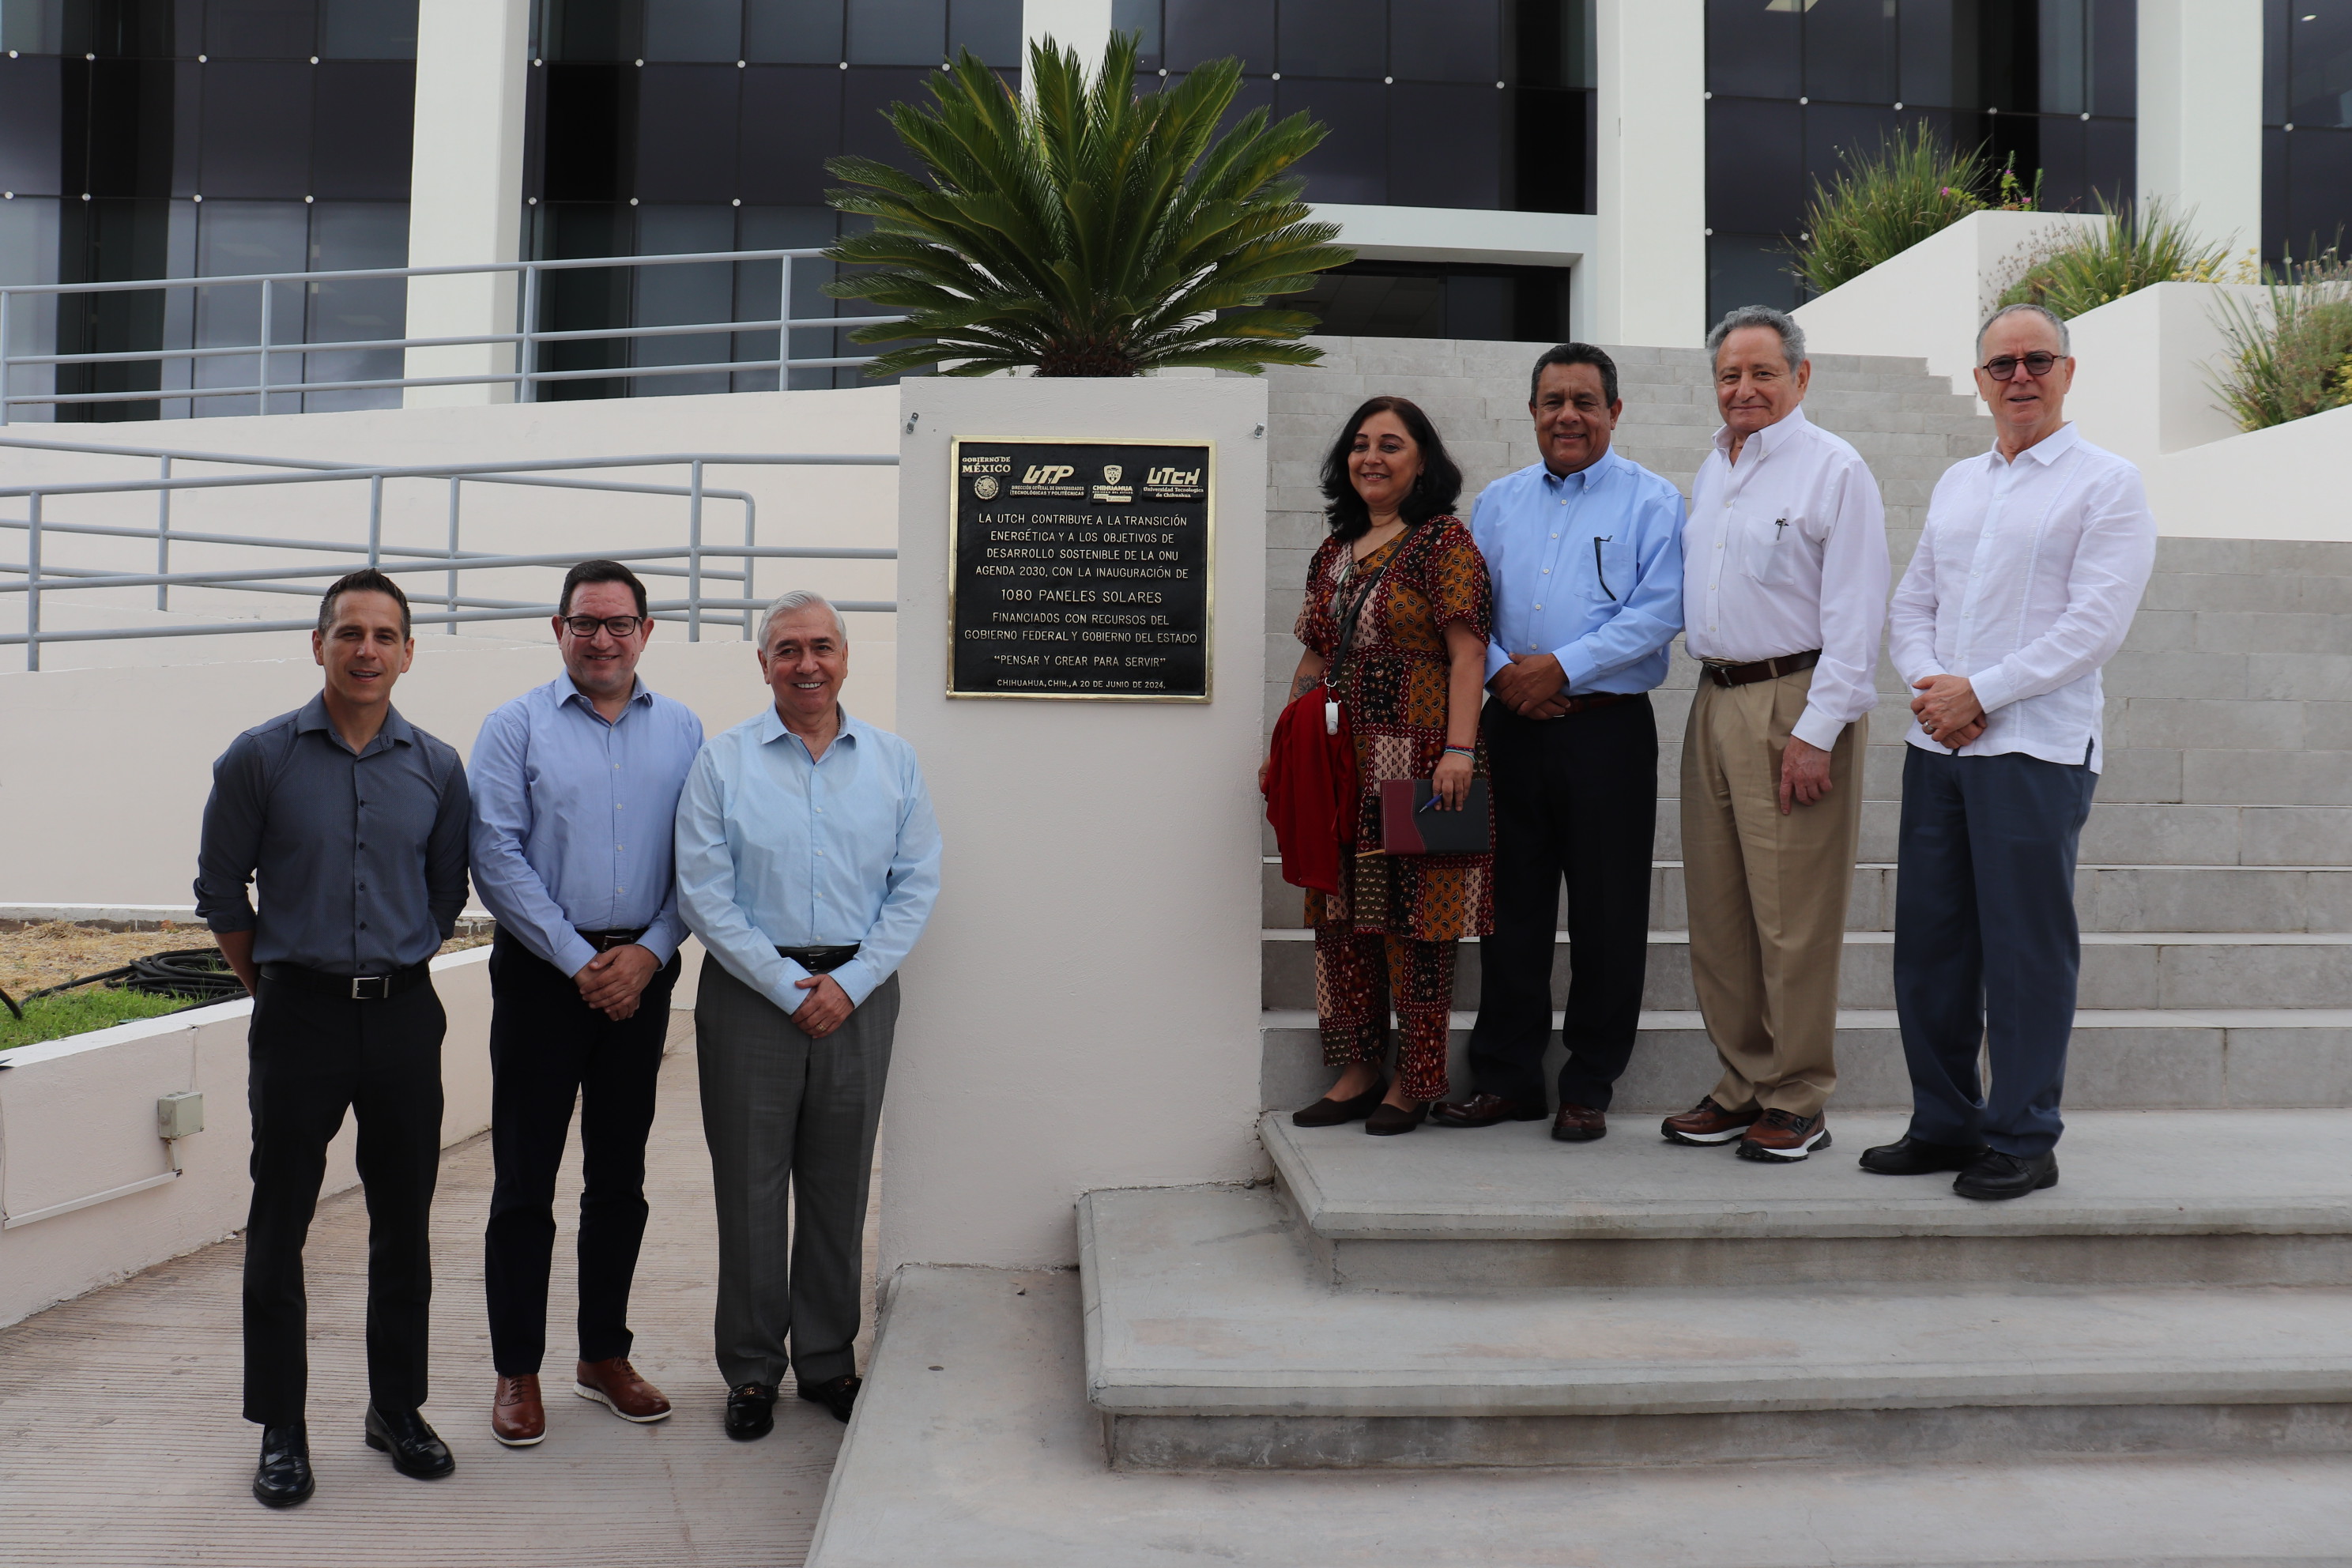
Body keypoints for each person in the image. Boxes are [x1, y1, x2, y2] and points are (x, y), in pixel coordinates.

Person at [194, 568, 471, 1508]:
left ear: (408, 652)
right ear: (319, 644)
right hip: (298, 1016)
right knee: (280, 1223)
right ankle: (281, 1423)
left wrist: (391, 962)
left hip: (402, 1016)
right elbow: (221, 892)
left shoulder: (438, 768)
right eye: (349, 632)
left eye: (385, 634)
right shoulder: (259, 758)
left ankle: (397, 1408)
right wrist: (275, 986)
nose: (366, 649)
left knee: (404, 1222)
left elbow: (445, 893)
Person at [1866, 302, 2155, 1200]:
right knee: (1930, 948)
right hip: (1939, 747)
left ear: (2068, 371)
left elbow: (2095, 626)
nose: (2019, 376)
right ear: (1980, 379)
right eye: (2002, 364)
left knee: (2026, 953)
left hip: (2036, 750)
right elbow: (1911, 603)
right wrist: (1934, 689)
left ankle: (2025, 1136)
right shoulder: (1959, 483)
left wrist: (1980, 693)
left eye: (2037, 359)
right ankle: (1945, 1122)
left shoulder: (2108, 483)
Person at [674, 590, 940, 1438]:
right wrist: (789, 984)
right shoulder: (722, 763)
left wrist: (850, 983)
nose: (807, 663)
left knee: (838, 1184)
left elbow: (915, 885)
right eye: (787, 649)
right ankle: (753, 1370)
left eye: (822, 646)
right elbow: (704, 893)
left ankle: (827, 1359)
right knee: (748, 1188)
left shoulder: (894, 762)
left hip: (859, 996)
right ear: (764, 664)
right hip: (751, 997)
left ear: (846, 657)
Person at [468, 560, 705, 1447]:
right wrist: (579, 960)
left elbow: (701, 857)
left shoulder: (684, 729)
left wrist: (649, 952)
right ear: (558, 628)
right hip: (542, 976)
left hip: (642, 975)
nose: (602, 639)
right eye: (585, 623)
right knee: (524, 1180)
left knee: (619, 1176)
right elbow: (495, 855)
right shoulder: (515, 726)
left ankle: (603, 1354)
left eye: (619, 623)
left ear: (647, 630)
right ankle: (517, 1368)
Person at [1433, 343, 1686, 1144]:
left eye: (1584, 401)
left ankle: (1589, 1081)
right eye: (1553, 401)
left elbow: (1659, 611)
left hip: (1607, 729)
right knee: (1510, 906)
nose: (1568, 415)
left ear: (1615, 410)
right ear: (1533, 411)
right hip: (1511, 724)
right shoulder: (1499, 503)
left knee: (1609, 909)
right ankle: (1507, 1077)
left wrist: (1562, 669)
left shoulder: (1653, 501)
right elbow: (1470, 610)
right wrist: (1507, 675)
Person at [1660, 307, 1890, 1163]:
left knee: (1793, 917)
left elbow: (1858, 614)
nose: (1744, 389)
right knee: (1720, 913)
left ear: (1801, 376)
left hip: (1795, 699)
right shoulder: (1712, 467)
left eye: (1762, 373)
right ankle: (1743, 1083)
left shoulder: (1835, 469)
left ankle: (1797, 1098)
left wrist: (1818, 730)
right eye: (1730, 375)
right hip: (1715, 698)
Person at [1272, 396, 1494, 1136]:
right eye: (1361, 444)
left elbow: (1468, 653)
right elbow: (1314, 656)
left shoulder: (1442, 544)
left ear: (1422, 461)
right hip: (1338, 766)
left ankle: (1416, 1080)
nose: (1372, 457)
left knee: (1418, 924)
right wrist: (1285, 748)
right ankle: (1357, 1070)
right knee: (1339, 918)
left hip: (1419, 761)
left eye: (1391, 445)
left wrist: (1459, 751)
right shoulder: (1333, 552)